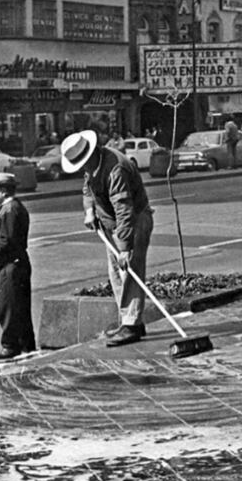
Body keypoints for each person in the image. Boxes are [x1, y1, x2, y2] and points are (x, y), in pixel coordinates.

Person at [61, 130, 154, 347]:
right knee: (116, 273)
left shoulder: (115, 169)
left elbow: (124, 211)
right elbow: (88, 186)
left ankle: (131, 325)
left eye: (83, 162)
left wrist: (124, 248)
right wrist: (89, 211)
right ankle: (130, 321)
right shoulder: (93, 164)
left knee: (129, 270)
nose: (82, 167)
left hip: (133, 222)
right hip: (110, 224)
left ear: (92, 152)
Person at [0, 172, 35, 360]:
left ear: (4, 191)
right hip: (12, 265)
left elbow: (8, 240)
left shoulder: (11, 209)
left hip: (9, 267)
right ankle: (24, 345)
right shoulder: (10, 208)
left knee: (10, 306)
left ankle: (11, 345)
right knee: (16, 306)